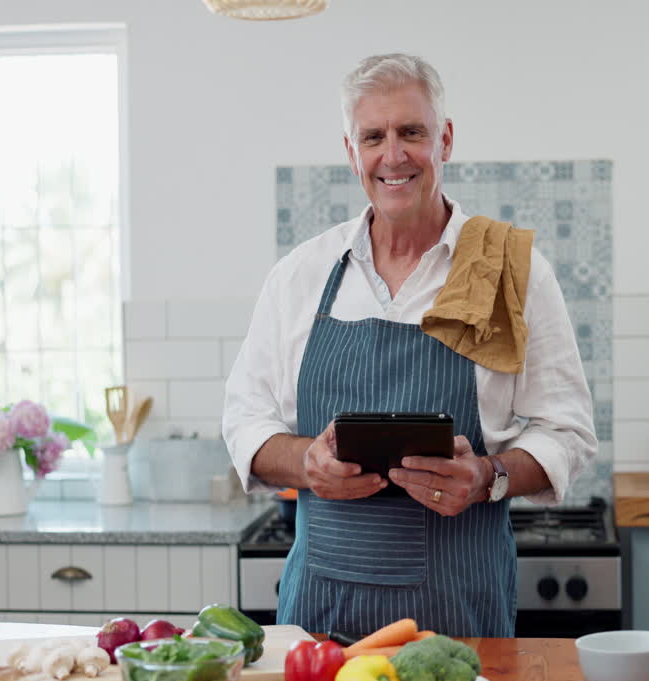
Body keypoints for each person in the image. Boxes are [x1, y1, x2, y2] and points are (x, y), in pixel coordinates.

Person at [222, 53, 596, 638]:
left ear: (444, 139)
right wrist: (306, 463)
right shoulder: (301, 276)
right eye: (373, 136)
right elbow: (244, 421)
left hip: (460, 626)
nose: (393, 155)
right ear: (351, 152)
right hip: (321, 631)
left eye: (411, 132)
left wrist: (489, 475)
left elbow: (567, 431)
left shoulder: (507, 270)